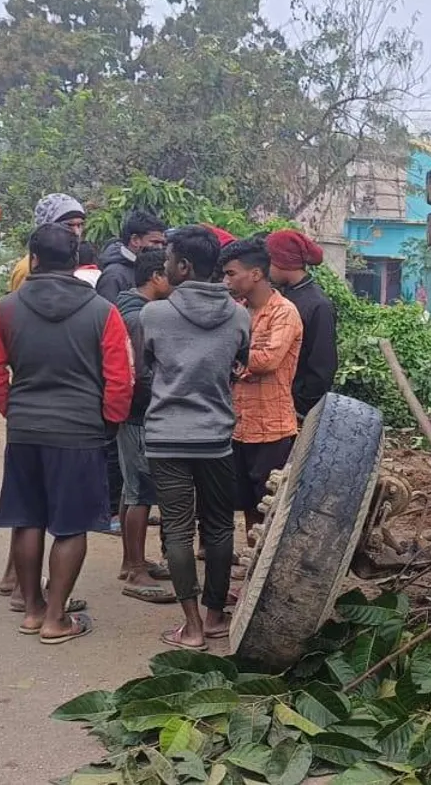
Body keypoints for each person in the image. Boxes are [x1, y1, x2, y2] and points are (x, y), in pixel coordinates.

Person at [0, 223, 132, 644]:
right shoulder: (103, 312)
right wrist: (108, 421)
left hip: (26, 428)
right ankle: (57, 617)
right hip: (80, 430)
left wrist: (15, 408)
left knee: (27, 518)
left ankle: (32, 610)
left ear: (35, 258)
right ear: (77, 260)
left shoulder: (5, 308)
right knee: (71, 525)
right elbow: (120, 380)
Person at [142, 225, 250, 651]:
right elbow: (238, 363)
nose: (164, 265)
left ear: (184, 266)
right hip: (216, 437)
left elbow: (145, 367)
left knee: (178, 529)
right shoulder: (240, 315)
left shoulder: (153, 314)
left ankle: (190, 628)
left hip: (166, 436)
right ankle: (215, 616)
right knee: (221, 528)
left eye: (168, 258)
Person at [222, 238, 302, 534]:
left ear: (255, 274)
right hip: (238, 424)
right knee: (246, 502)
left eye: (231, 273)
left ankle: (264, 563)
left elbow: (268, 360)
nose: (225, 280)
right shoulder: (237, 310)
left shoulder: (284, 312)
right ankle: (252, 559)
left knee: (269, 502)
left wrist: (231, 355)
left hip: (272, 427)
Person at [113, 248, 174, 602]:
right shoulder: (140, 317)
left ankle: (130, 559)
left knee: (130, 488)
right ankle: (135, 569)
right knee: (140, 492)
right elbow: (141, 371)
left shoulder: (125, 306)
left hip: (131, 411)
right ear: (156, 277)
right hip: (139, 412)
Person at [266, 230, 339, 418]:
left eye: (269, 262)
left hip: (295, 409)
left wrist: (301, 406)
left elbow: (323, 367)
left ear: (282, 262)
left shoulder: (317, 305)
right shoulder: (283, 295)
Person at [8, 193, 88, 292]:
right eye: (69, 225)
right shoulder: (26, 269)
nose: (76, 232)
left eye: (80, 225)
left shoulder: (77, 259)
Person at [96, 212, 168, 299]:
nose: (160, 247)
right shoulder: (114, 276)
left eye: (162, 243)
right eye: (155, 242)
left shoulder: (151, 267)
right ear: (135, 240)